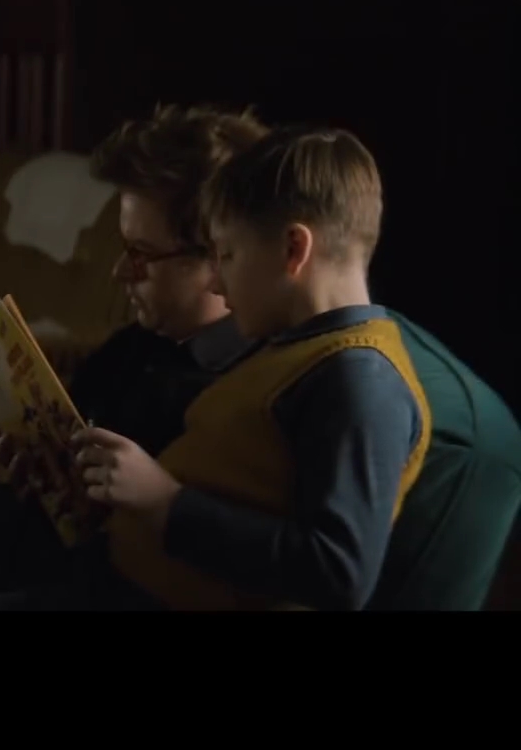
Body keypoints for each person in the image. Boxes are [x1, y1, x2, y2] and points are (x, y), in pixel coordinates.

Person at [0, 105, 267, 600]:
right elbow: (38, 523)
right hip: (18, 554)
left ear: (219, 256)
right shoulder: (130, 349)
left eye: (142, 254)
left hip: (85, 588)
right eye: (123, 248)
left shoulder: (243, 396)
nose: (120, 273)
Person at [88, 125, 430, 610]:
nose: (218, 284)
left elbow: (337, 571)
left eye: (227, 255)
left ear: (293, 250)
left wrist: (165, 503)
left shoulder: (360, 380)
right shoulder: (292, 349)